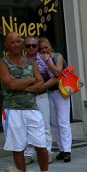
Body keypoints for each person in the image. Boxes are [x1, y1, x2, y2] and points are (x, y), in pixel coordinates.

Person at [0, 32, 57, 172]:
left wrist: (21, 84)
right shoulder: (2, 63)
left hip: (31, 108)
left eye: (18, 42)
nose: (16, 45)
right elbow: (11, 85)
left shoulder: (31, 63)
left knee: (41, 144)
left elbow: (41, 84)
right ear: (6, 45)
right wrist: (30, 81)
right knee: (18, 147)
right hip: (12, 110)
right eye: (13, 42)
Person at [38, 37, 73, 162]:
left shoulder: (56, 56)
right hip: (48, 92)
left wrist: (48, 62)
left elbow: (58, 73)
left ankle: (67, 150)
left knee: (63, 121)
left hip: (60, 92)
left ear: (50, 46)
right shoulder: (38, 59)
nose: (43, 50)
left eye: (45, 47)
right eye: (41, 49)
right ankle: (61, 149)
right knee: (54, 122)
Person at [23, 36, 54, 164]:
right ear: (24, 47)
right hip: (25, 97)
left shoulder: (44, 59)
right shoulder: (20, 61)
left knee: (45, 125)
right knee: (26, 125)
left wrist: (41, 87)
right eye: (28, 46)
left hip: (41, 96)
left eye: (34, 45)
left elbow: (55, 77)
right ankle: (28, 154)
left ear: (37, 47)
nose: (31, 48)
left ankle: (47, 152)